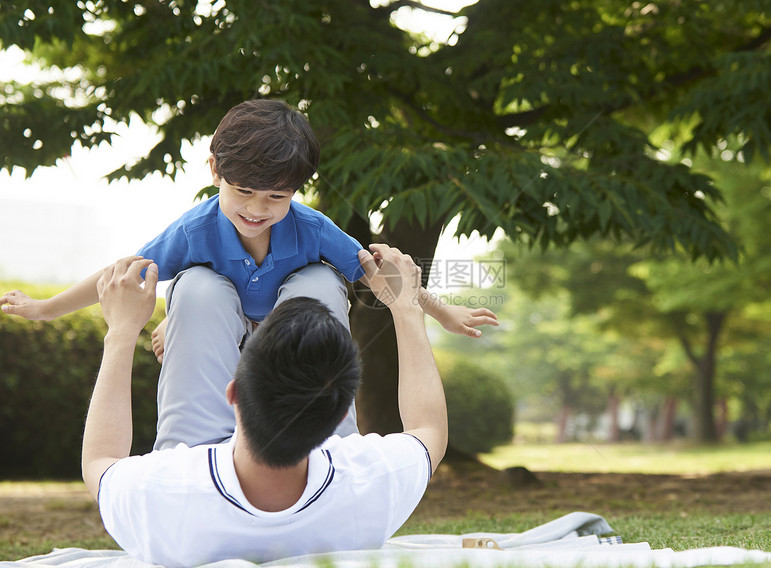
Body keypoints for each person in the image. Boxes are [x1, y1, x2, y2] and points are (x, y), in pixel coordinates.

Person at [0, 99, 497, 433]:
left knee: (323, 280)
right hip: (222, 331)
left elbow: (383, 276)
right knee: (194, 285)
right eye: (244, 191)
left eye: (276, 196)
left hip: (288, 333)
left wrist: (443, 311)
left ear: (297, 191)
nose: (258, 208)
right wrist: (46, 308)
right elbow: (121, 276)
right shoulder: (194, 230)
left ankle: (333, 442)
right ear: (215, 169)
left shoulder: (311, 227)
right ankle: (195, 442)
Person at [83, 244, 447, 567]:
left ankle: (221, 309)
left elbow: (100, 461)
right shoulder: (370, 479)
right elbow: (428, 429)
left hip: (197, 456)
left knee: (198, 288)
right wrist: (407, 309)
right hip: (317, 463)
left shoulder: (162, 491)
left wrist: (121, 332)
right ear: (342, 416)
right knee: (320, 280)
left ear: (233, 393)